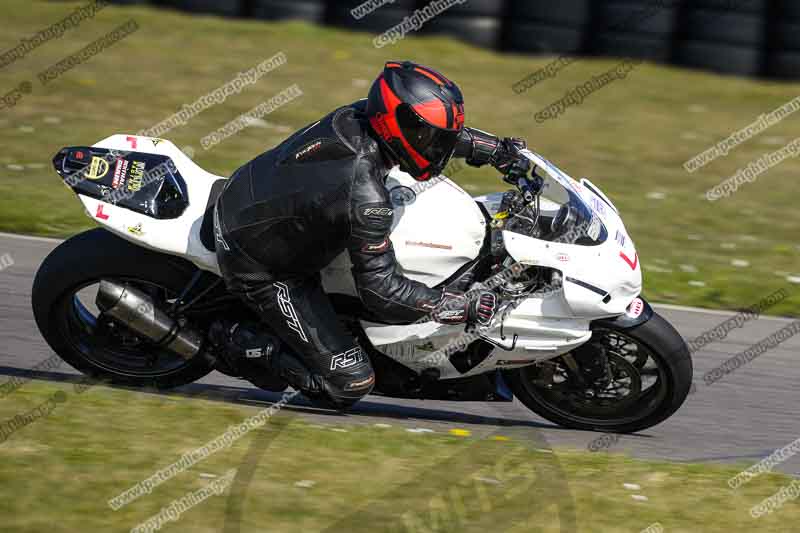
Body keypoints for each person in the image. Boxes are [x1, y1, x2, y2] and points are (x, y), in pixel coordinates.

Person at [213, 60, 527, 408]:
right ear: (396, 125)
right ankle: (233, 339)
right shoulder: (365, 197)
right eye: (430, 138)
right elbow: (383, 293)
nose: (436, 148)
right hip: (261, 264)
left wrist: (495, 150)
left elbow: (431, 136)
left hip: (256, 194)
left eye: (440, 139)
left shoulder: (364, 117)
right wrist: (457, 305)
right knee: (351, 382)